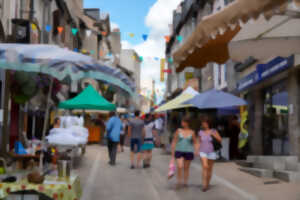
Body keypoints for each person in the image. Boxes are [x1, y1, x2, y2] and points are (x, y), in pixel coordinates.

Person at [171, 117, 198, 189]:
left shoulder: (192, 132)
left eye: (183, 122)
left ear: (187, 123)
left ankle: (185, 182)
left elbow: (195, 142)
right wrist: (173, 150)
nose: (181, 123)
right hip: (179, 150)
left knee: (186, 168)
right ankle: (179, 181)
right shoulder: (178, 131)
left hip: (189, 151)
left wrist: (196, 150)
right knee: (180, 166)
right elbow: (174, 141)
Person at [199, 117, 222, 192]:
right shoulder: (200, 132)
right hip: (202, 152)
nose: (204, 124)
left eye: (205, 123)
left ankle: (207, 183)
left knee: (210, 169)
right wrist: (196, 150)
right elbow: (199, 142)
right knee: (205, 166)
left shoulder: (213, 131)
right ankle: (204, 184)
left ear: (208, 123)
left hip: (211, 152)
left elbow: (220, 139)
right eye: (203, 123)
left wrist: (213, 135)